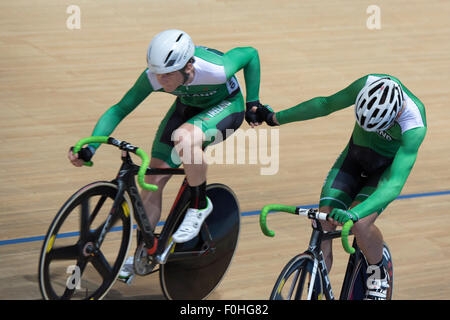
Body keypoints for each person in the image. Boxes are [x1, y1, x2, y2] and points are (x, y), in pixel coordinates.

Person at [68, 29, 266, 282]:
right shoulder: (154, 76)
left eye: (168, 74)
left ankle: (199, 204)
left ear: (189, 66)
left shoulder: (216, 69)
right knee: (151, 182)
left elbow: (250, 54)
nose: (162, 80)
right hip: (189, 108)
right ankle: (147, 252)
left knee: (184, 138)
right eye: (157, 73)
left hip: (227, 107)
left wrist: (253, 103)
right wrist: (90, 147)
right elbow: (119, 110)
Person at [256, 74, 427, 300]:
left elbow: (392, 184)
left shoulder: (414, 123)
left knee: (360, 225)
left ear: (395, 114)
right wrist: (276, 117)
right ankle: (315, 288)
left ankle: (378, 272)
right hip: (354, 159)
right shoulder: (366, 84)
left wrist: (355, 213)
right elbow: (325, 105)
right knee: (323, 220)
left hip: (382, 172)